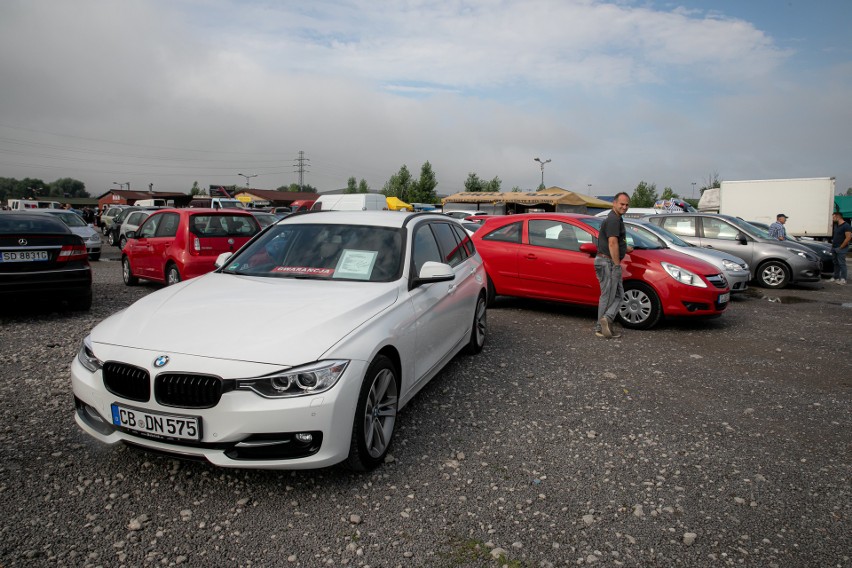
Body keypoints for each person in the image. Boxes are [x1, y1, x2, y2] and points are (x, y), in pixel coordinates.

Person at [595, 192, 632, 338]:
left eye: (627, 204)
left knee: (618, 295)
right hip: (608, 263)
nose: (624, 207)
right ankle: (601, 327)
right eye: (622, 204)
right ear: (614, 203)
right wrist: (617, 266)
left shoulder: (616, 219)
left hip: (607, 261)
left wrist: (624, 247)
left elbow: (614, 240)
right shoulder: (613, 220)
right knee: (608, 296)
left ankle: (606, 320)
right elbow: (612, 242)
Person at [828, 211, 851, 285]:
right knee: (835, 263)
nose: (833, 219)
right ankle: (835, 277)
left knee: (842, 263)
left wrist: (841, 247)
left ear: (838, 217)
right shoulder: (836, 225)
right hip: (834, 247)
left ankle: (843, 279)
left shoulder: (846, 226)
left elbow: (848, 238)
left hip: (841, 248)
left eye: (834, 217)